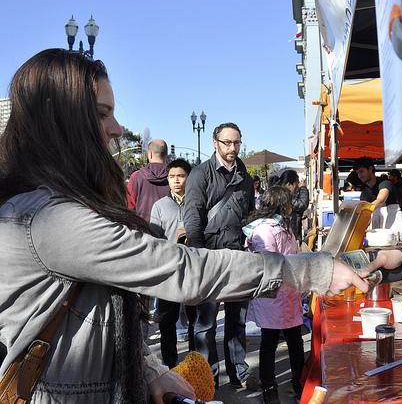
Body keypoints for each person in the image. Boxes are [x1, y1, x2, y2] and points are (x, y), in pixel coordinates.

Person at [0, 49, 368, 403]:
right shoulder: (47, 219)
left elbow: (98, 317)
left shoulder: (64, 205)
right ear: (58, 122)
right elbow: (183, 268)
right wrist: (309, 269)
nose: (117, 128)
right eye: (101, 114)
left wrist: (147, 369)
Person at [183, 122, 257, 389]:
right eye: (227, 142)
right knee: (205, 324)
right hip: (209, 255)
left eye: (236, 142)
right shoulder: (200, 174)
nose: (233, 148)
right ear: (215, 143)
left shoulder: (245, 176)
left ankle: (239, 372)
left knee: (237, 321)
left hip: (237, 255)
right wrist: (199, 254)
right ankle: (206, 379)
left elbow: (248, 213)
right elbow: (192, 216)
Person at [242, 186, 305, 403]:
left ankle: (299, 384)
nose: (291, 205)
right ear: (280, 203)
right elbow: (268, 262)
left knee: (294, 341)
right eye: (289, 201)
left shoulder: (282, 225)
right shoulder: (264, 230)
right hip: (273, 295)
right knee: (269, 343)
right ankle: (269, 389)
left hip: (287, 294)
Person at [149, 158, 194, 369]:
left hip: (195, 269)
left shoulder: (197, 202)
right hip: (169, 271)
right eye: (172, 177)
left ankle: (196, 363)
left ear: (189, 177)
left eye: (181, 176)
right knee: (168, 321)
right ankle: (170, 364)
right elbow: (155, 239)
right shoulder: (159, 206)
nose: (176, 181)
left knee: (197, 321)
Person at [353, 157, 402, 237]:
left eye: (361, 171)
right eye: (358, 173)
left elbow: (381, 199)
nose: (359, 175)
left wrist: (365, 208)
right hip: (379, 228)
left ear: (370, 169)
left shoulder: (384, 183)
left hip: (396, 225)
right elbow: (366, 216)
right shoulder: (365, 193)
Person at [127, 139, 170, 223]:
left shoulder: (136, 177)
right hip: (169, 231)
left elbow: (129, 207)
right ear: (166, 155)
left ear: (150, 154)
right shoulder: (175, 177)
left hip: (143, 230)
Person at [269, 169, 309, 244]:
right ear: (289, 185)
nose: (297, 188)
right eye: (296, 185)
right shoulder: (283, 197)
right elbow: (302, 204)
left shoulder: (277, 194)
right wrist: (303, 188)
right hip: (286, 238)